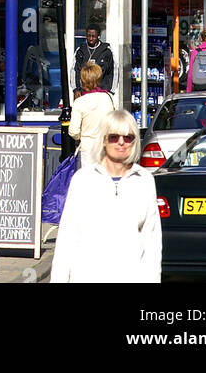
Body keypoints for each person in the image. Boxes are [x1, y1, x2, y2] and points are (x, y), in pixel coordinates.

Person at [50, 109, 161, 284]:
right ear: (103, 140)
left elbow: (152, 241)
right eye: (114, 137)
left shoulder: (144, 181)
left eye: (128, 137)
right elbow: (67, 238)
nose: (121, 142)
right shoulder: (83, 180)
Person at [68, 61, 115, 166]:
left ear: (82, 80)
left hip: (87, 149)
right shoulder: (108, 98)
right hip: (105, 148)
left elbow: (73, 131)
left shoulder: (79, 102)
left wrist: (82, 137)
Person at [73, 26, 115, 97]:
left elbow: (113, 71)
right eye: (89, 36)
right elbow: (74, 71)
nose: (91, 39)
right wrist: (76, 89)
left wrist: (110, 91)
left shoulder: (107, 51)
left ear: (98, 36)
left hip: (102, 92)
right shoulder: (80, 50)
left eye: (93, 36)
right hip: (84, 91)